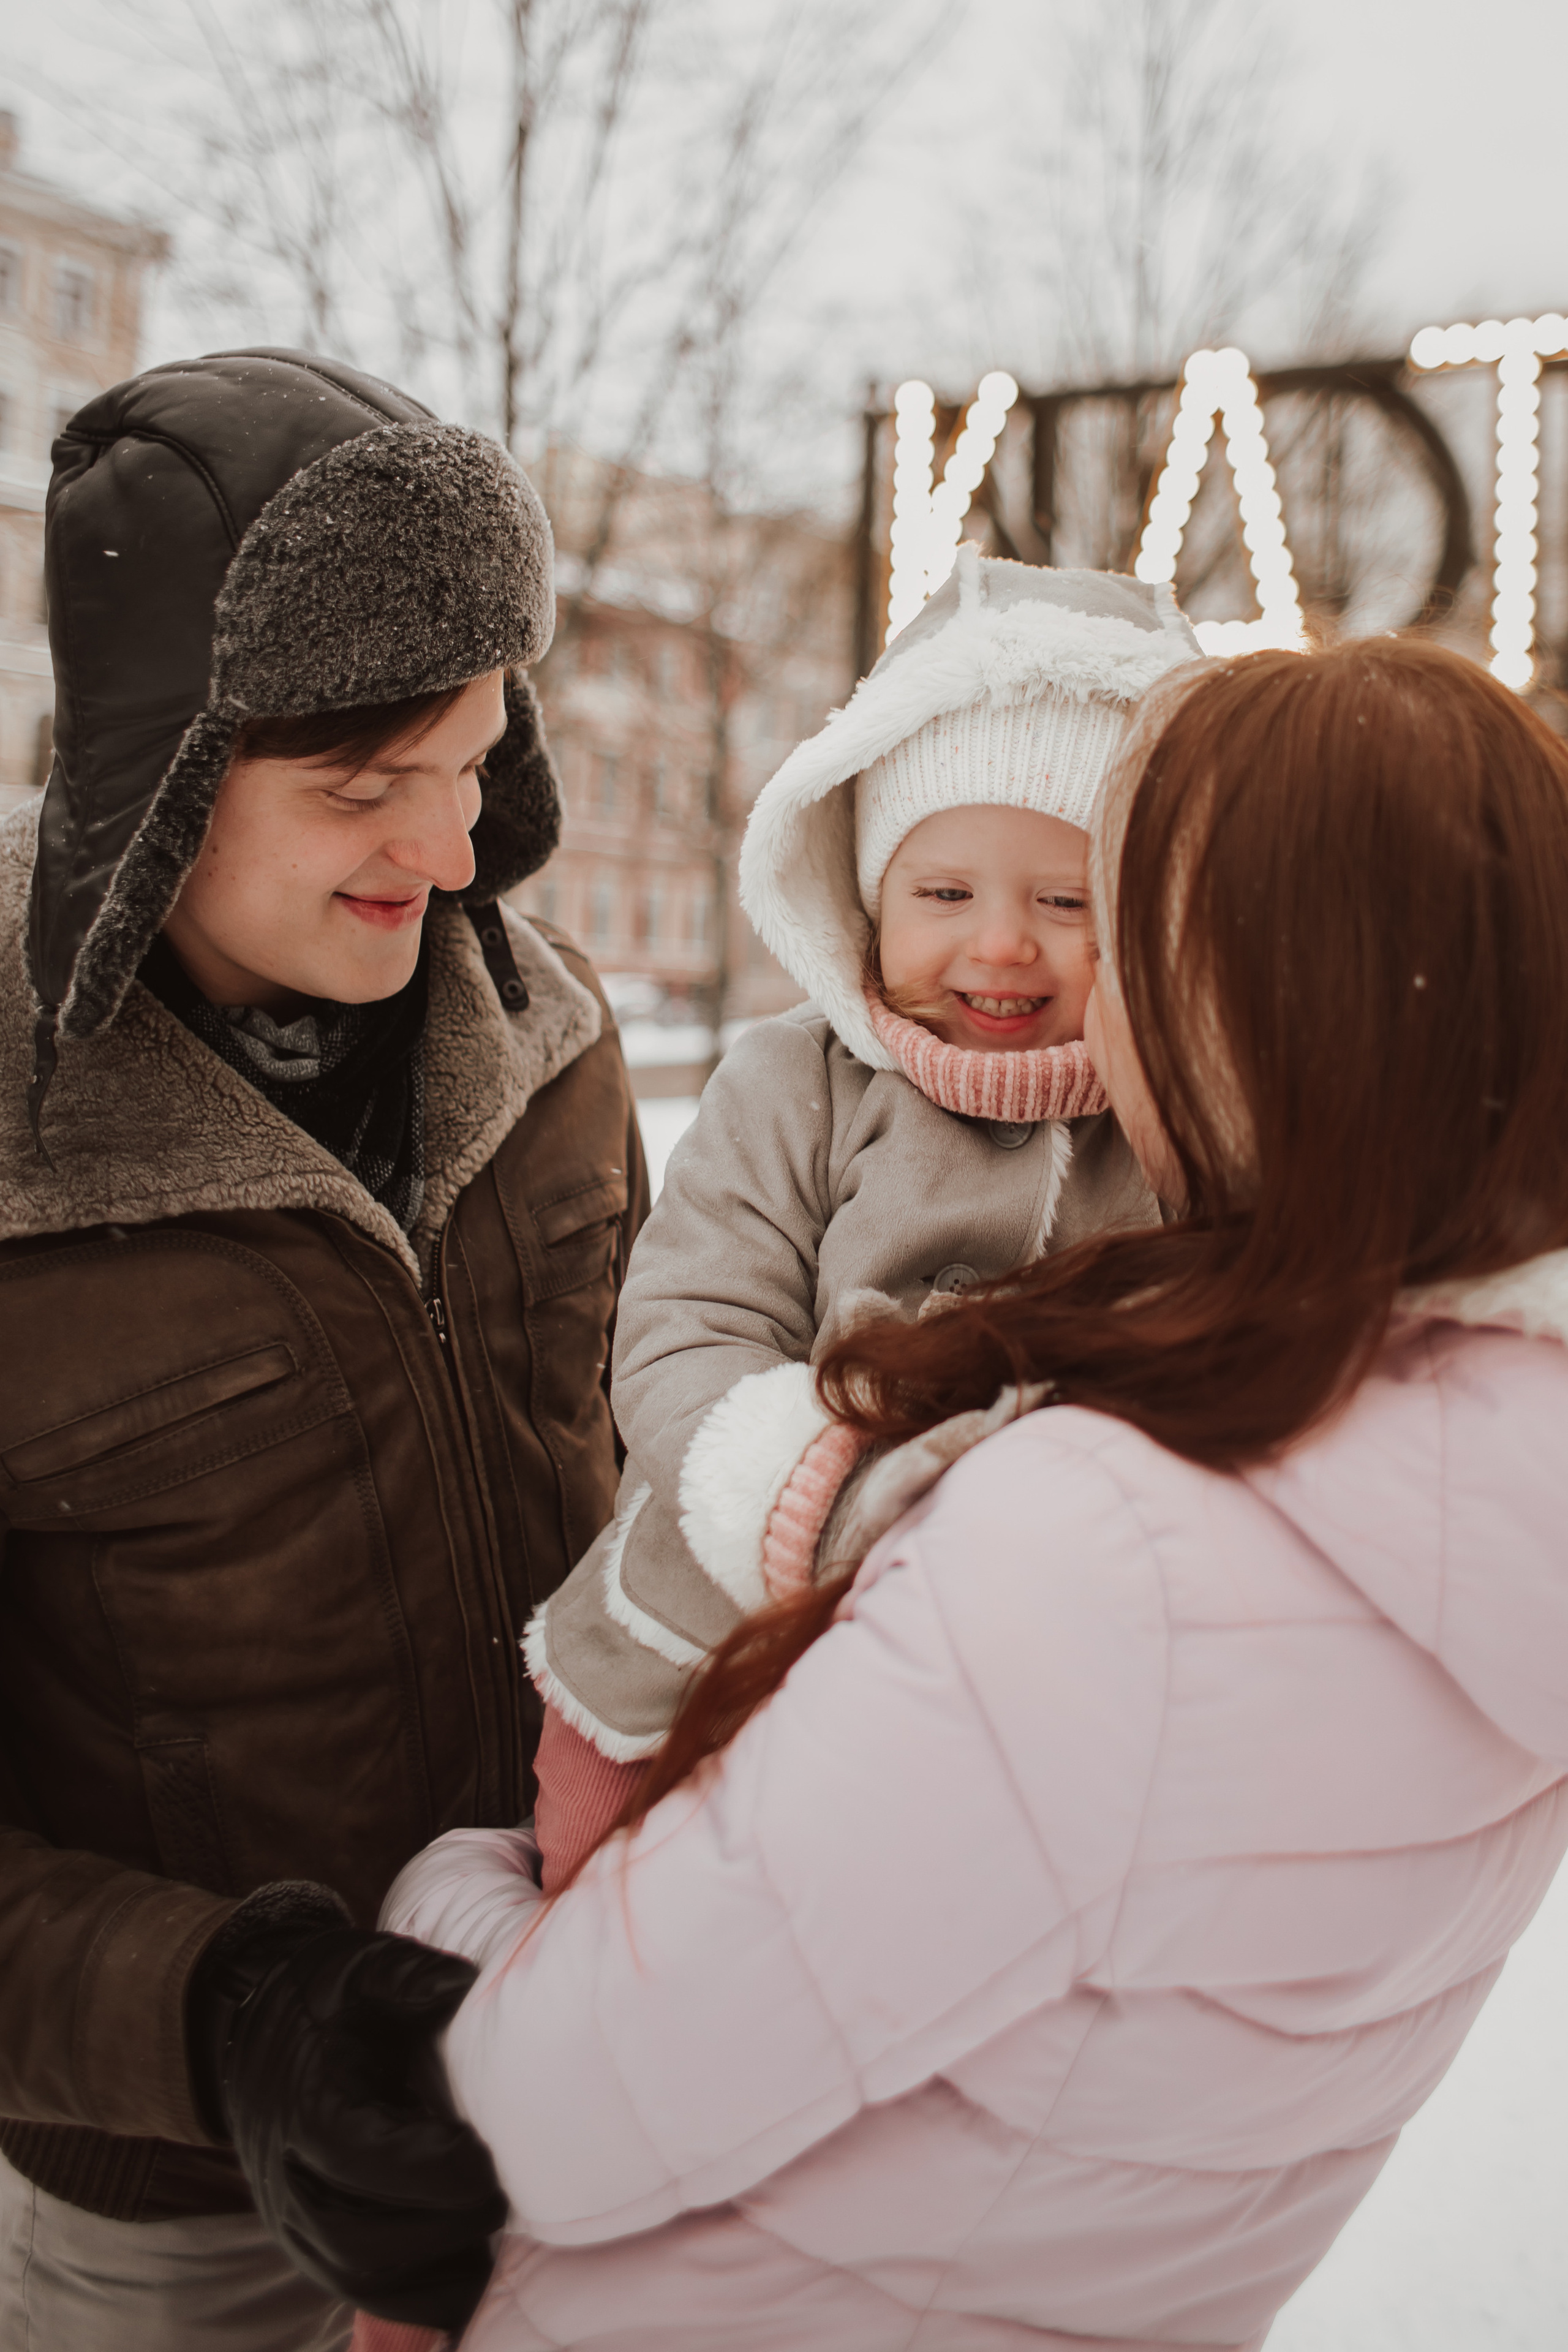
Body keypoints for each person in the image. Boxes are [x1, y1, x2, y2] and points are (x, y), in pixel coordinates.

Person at [380, 635, 1568, 2352]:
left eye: (1131, 928)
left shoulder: (1104, 1556)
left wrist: (443, 1902)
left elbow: (557, 2109)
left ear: (1254, 1009)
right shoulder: (1481, 1502)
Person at [0, 349, 646, 2352]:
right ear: (154, 775)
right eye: (367, 789)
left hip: (583, 2093)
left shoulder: (556, 1048)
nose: (449, 856)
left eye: (473, 762)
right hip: (179, 2209)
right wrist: (239, 2022)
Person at [527, 548, 1202, 1883]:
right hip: (730, 1601)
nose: (999, 945)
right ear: (865, 896)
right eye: (943, 894)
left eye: (1064, 903)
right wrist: (807, 1492)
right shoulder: (801, 1086)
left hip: (1047, 1645)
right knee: (616, 1859)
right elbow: (686, 1322)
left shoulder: (1173, 1116)